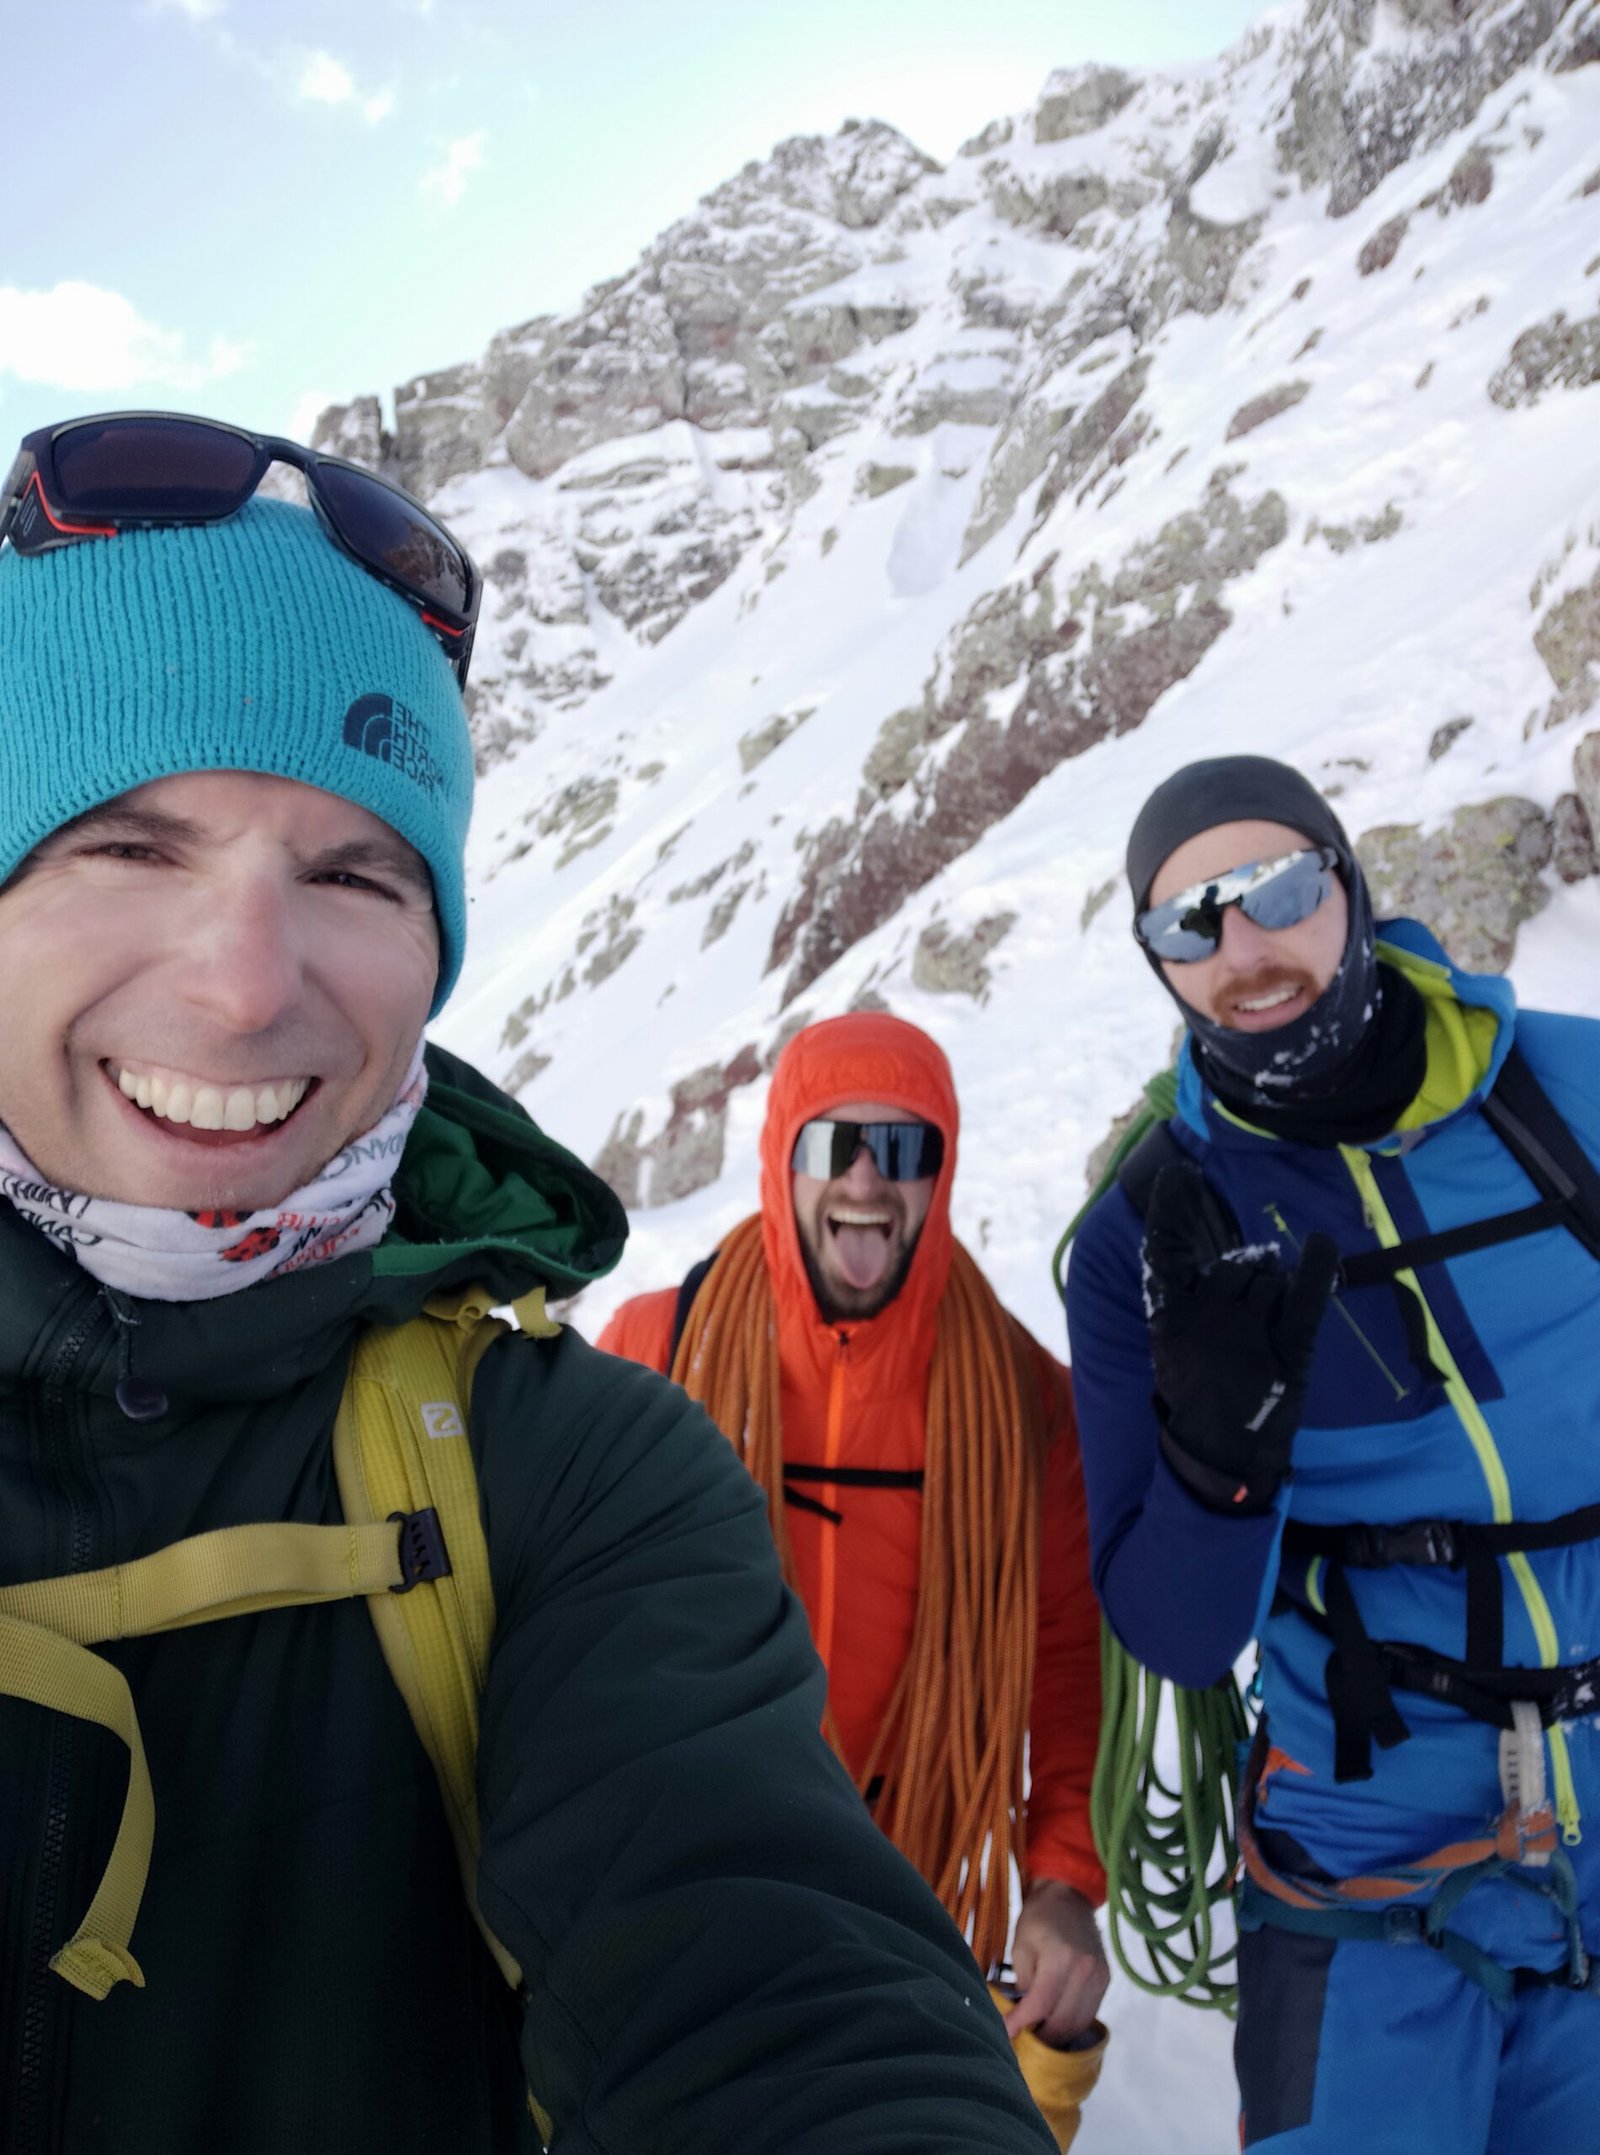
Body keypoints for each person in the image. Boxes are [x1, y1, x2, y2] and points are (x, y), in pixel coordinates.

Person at [0, 411, 1066, 2155]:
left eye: (355, 873)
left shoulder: (570, 1467)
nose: (247, 983)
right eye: (127, 846)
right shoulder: (672, 1344)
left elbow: (773, 1987)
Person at [1065, 753, 1600, 2151]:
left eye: (1278, 888)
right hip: (1370, 1871)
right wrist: (1219, 1458)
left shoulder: (1572, 1096)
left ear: (1349, 886)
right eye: (1190, 924)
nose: (1245, 948)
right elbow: (1175, 1634)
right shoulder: (1154, 1234)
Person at [599, 1011, 1110, 2150]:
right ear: (784, 1157)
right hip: (684, 1898)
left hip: (908, 1906)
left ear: (943, 1172)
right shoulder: (656, 1348)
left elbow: (1066, 1664)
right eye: (836, 1144)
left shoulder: (1026, 1406)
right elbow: (556, 1628)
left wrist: (1061, 1877)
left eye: (906, 1146)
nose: (869, 1178)